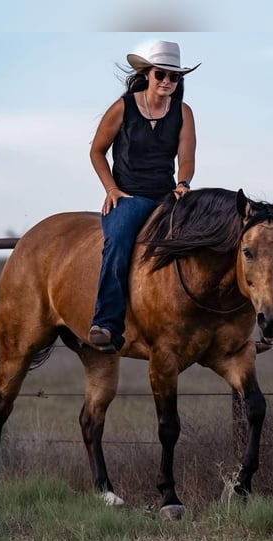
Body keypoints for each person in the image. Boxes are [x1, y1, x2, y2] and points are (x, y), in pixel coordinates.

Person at [88, 40, 200, 353]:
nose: (166, 81)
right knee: (119, 239)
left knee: (205, 237)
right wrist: (111, 189)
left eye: (173, 77)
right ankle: (106, 324)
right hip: (128, 196)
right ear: (147, 75)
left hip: (167, 197)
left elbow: (186, 158)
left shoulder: (183, 112)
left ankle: (211, 323)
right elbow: (97, 151)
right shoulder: (123, 107)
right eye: (160, 74)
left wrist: (183, 183)